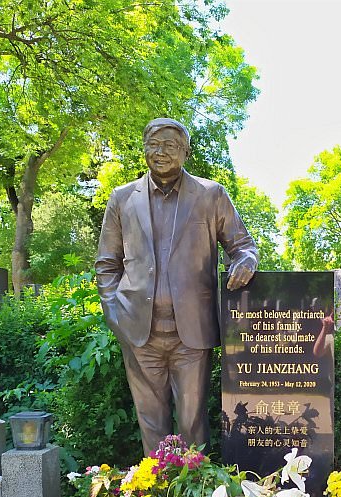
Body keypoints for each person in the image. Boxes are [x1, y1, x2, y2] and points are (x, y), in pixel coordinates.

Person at [95, 118, 258, 454]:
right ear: (144, 150)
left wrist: (246, 262)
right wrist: (115, 314)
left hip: (192, 330)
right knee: (150, 420)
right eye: (153, 144)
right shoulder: (122, 198)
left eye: (169, 145)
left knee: (192, 421)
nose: (161, 152)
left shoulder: (211, 195)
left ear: (185, 150)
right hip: (139, 328)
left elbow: (243, 245)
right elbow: (106, 264)